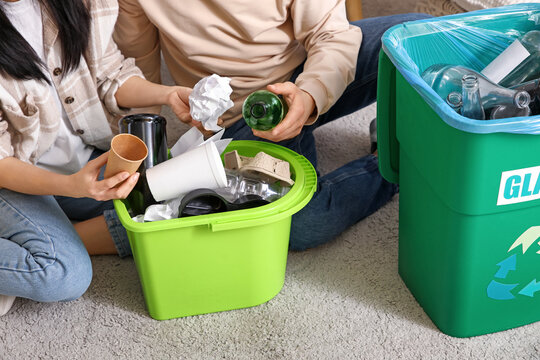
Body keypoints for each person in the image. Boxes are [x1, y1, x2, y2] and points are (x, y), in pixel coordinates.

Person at [114, 0, 431, 252]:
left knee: (434, 38)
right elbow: (138, 69)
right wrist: (139, 160)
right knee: (302, 222)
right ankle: (397, 162)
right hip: (239, 119)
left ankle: (395, 127)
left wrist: (308, 96)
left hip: (302, 72)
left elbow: (331, 35)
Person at [0, 0, 194, 316]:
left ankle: (56, 233)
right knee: (63, 273)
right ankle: (49, 240)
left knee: (184, 203)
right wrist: (72, 186)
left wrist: (168, 95)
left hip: (81, 162)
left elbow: (109, 74)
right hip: (14, 176)